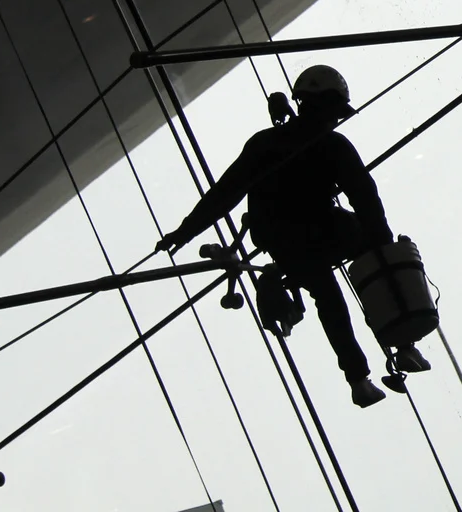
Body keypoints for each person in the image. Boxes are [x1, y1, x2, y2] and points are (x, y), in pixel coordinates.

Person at [157, 64, 430, 408]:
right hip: (313, 231)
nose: (336, 119)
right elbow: (365, 199)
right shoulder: (331, 146)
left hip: (283, 239)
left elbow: (226, 193)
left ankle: (361, 379)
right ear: (324, 105)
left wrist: (185, 230)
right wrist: (383, 248)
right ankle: (401, 346)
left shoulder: (267, 143)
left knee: (327, 295)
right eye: (334, 111)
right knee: (361, 266)